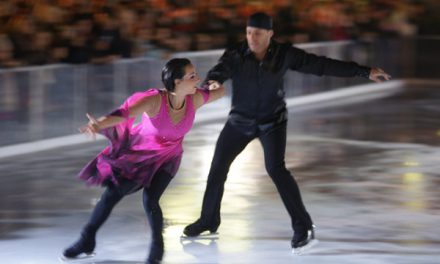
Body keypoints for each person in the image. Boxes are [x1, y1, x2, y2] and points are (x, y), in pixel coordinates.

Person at [183, 12, 391, 254]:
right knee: (217, 168)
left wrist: (364, 71)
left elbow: (321, 65)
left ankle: (303, 226)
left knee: (276, 169)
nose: (252, 37)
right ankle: (209, 219)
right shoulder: (236, 53)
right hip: (240, 122)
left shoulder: (285, 54)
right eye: (249, 32)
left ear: (270, 34)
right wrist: (213, 82)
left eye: (258, 33)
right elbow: (219, 70)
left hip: (272, 122)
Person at [62, 58, 225, 264]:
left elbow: (219, 92)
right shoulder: (154, 100)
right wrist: (99, 124)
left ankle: (157, 248)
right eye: (192, 76)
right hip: (140, 156)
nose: (198, 79)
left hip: (169, 158)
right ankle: (87, 239)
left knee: (151, 199)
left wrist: (216, 84)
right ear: (176, 81)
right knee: (112, 194)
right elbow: (124, 114)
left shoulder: (195, 99)